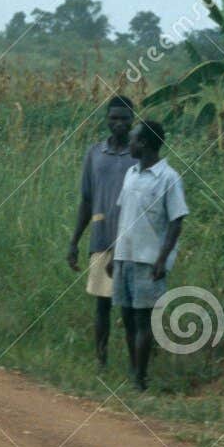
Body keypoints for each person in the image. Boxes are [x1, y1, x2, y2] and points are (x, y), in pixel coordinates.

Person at [108, 119, 188, 390]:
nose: (128, 143)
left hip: (148, 260)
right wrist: (113, 254)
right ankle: (134, 371)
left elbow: (177, 221)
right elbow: (123, 216)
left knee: (144, 320)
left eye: (132, 139)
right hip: (124, 256)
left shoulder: (169, 177)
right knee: (128, 317)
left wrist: (162, 259)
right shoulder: (131, 173)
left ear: (143, 143)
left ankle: (141, 378)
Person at [66, 96, 135, 367]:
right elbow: (86, 199)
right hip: (101, 239)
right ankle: (101, 361)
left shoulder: (139, 153)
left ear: (133, 121)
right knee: (102, 305)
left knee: (131, 309)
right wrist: (74, 241)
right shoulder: (95, 153)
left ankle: (135, 366)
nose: (118, 123)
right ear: (107, 119)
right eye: (113, 118)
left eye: (124, 118)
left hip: (131, 243)